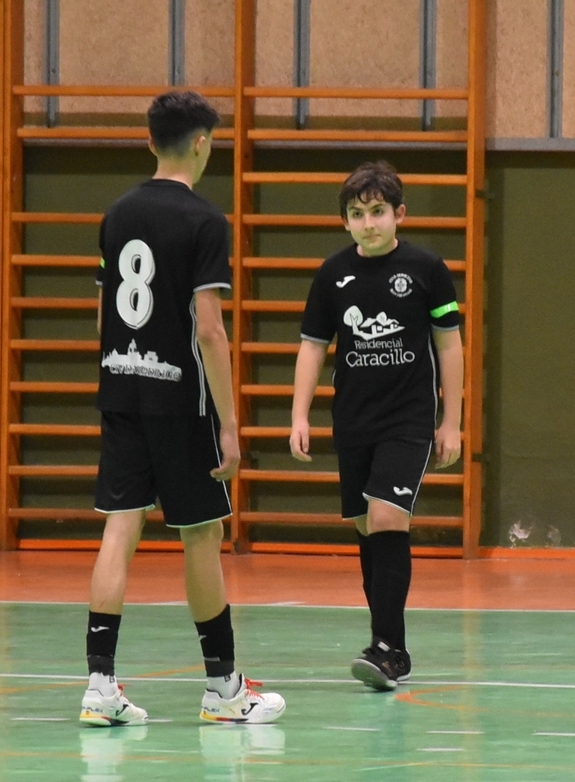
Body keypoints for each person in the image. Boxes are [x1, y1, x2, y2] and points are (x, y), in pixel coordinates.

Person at [80, 90, 285, 724]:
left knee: (121, 528)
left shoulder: (117, 214)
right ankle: (224, 690)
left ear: (150, 141)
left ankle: (99, 687)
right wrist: (230, 422)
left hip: (122, 389)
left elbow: (104, 318)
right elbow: (210, 330)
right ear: (202, 143)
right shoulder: (205, 221)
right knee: (202, 533)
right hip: (182, 401)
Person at [290, 161, 464, 690]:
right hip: (353, 421)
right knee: (368, 529)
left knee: (388, 518)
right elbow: (313, 346)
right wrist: (299, 414)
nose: (368, 223)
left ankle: (387, 650)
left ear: (399, 214)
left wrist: (451, 421)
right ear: (345, 221)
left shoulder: (427, 269)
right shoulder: (332, 275)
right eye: (357, 214)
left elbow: (449, 345)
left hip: (408, 419)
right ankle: (389, 644)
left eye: (378, 211)